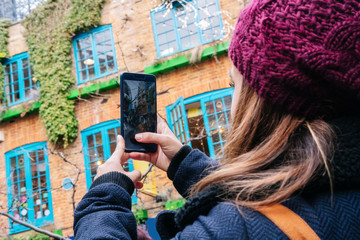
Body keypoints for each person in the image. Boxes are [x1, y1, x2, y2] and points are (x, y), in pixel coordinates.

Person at [73, 0, 360, 239]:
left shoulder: (237, 227)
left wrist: (104, 194)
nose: (232, 98)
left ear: (265, 99)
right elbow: (268, 190)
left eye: (235, 85)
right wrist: (184, 164)